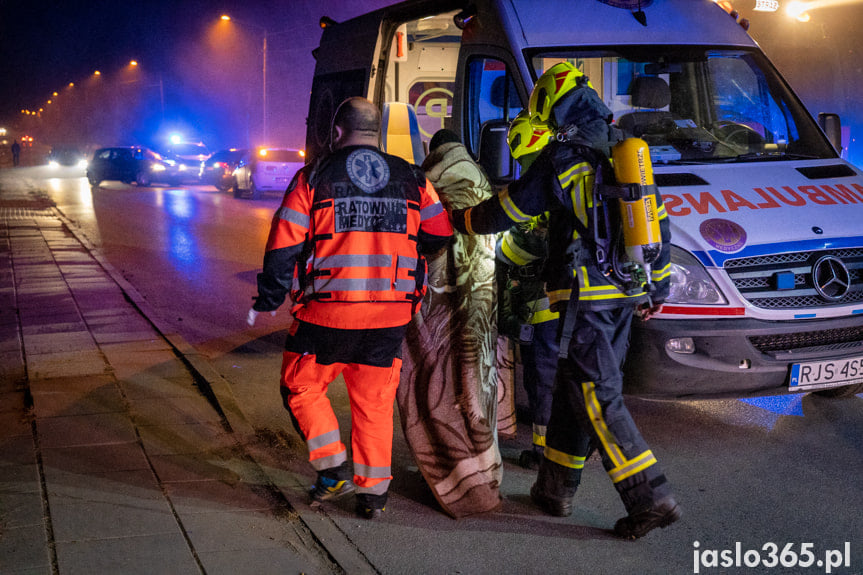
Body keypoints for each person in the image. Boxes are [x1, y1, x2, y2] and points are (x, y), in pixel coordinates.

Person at [450, 62, 680, 539]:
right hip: (625, 293)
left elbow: (508, 210)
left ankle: (651, 497)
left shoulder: (564, 156)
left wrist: (461, 222)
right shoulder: (624, 150)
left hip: (586, 299)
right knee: (575, 391)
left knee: (599, 399)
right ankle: (554, 489)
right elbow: (659, 224)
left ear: (552, 107)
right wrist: (656, 288)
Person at [248, 97, 453, 519]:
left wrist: (268, 297)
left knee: (301, 387)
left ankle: (332, 468)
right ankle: (374, 495)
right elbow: (440, 233)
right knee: (374, 402)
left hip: (327, 312)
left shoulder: (314, 176)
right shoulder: (413, 178)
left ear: (336, 131)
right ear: (377, 134)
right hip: (391, 315)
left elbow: (284, 245)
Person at [397, 128, 503, 517]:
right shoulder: (481, 182)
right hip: (480, 304)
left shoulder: (426, 184)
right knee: (477, 382)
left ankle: (455, 477)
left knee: (435, 383)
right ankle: (485, 474)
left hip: (443, 310)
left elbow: (423, 240)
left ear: (434, 153)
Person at [496, 111, 558, 471]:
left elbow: (523, 248)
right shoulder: (569, 171)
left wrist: (499, 248)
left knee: (542, 375)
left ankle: (544, 450)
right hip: (579, 299)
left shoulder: (540, 181)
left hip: (545, 301)